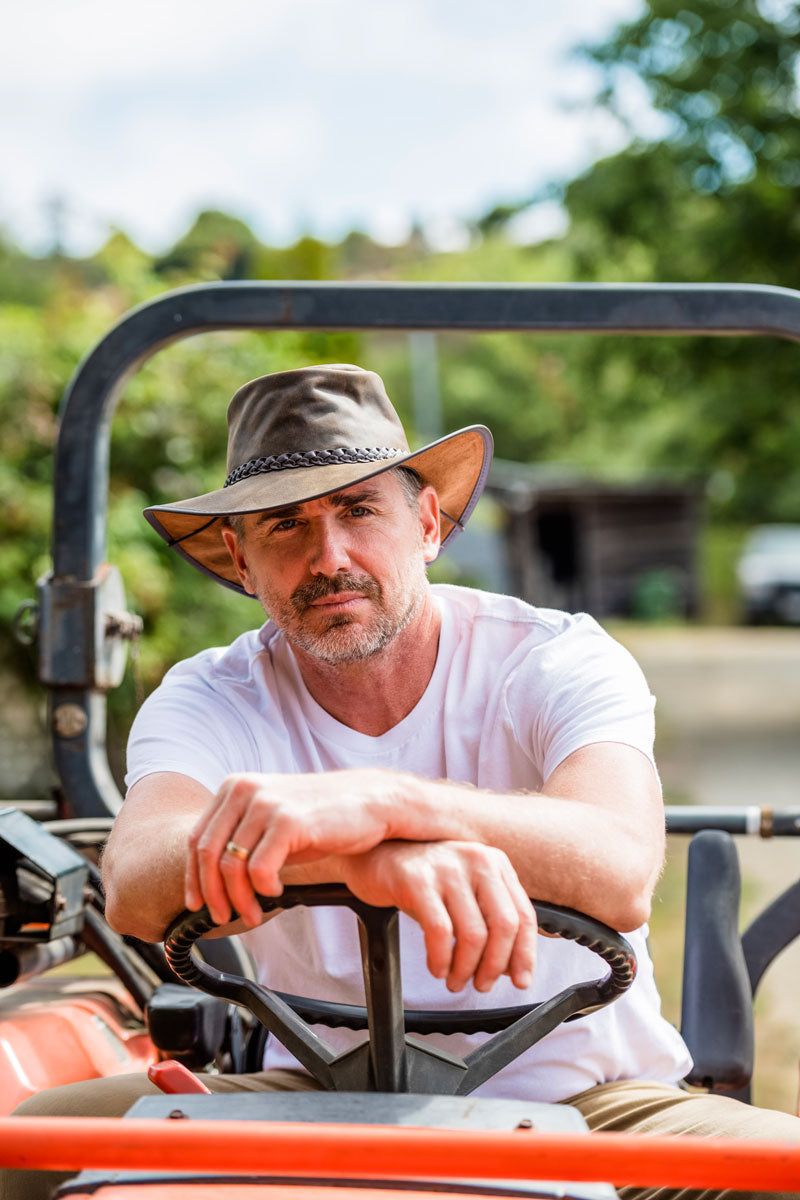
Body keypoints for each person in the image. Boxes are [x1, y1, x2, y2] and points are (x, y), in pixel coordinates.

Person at [8, 364, 800, 1200]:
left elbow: (619, 866)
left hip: (588, 1106)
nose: (330, 556)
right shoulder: (212, 695)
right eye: (285, 526)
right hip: (317, 1100)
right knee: (29, 1144)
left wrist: (388, 804)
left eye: (358, 510)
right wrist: (363, 863)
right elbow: (135, 884)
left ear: (425, 521)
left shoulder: (555, 657)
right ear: (239, 559)